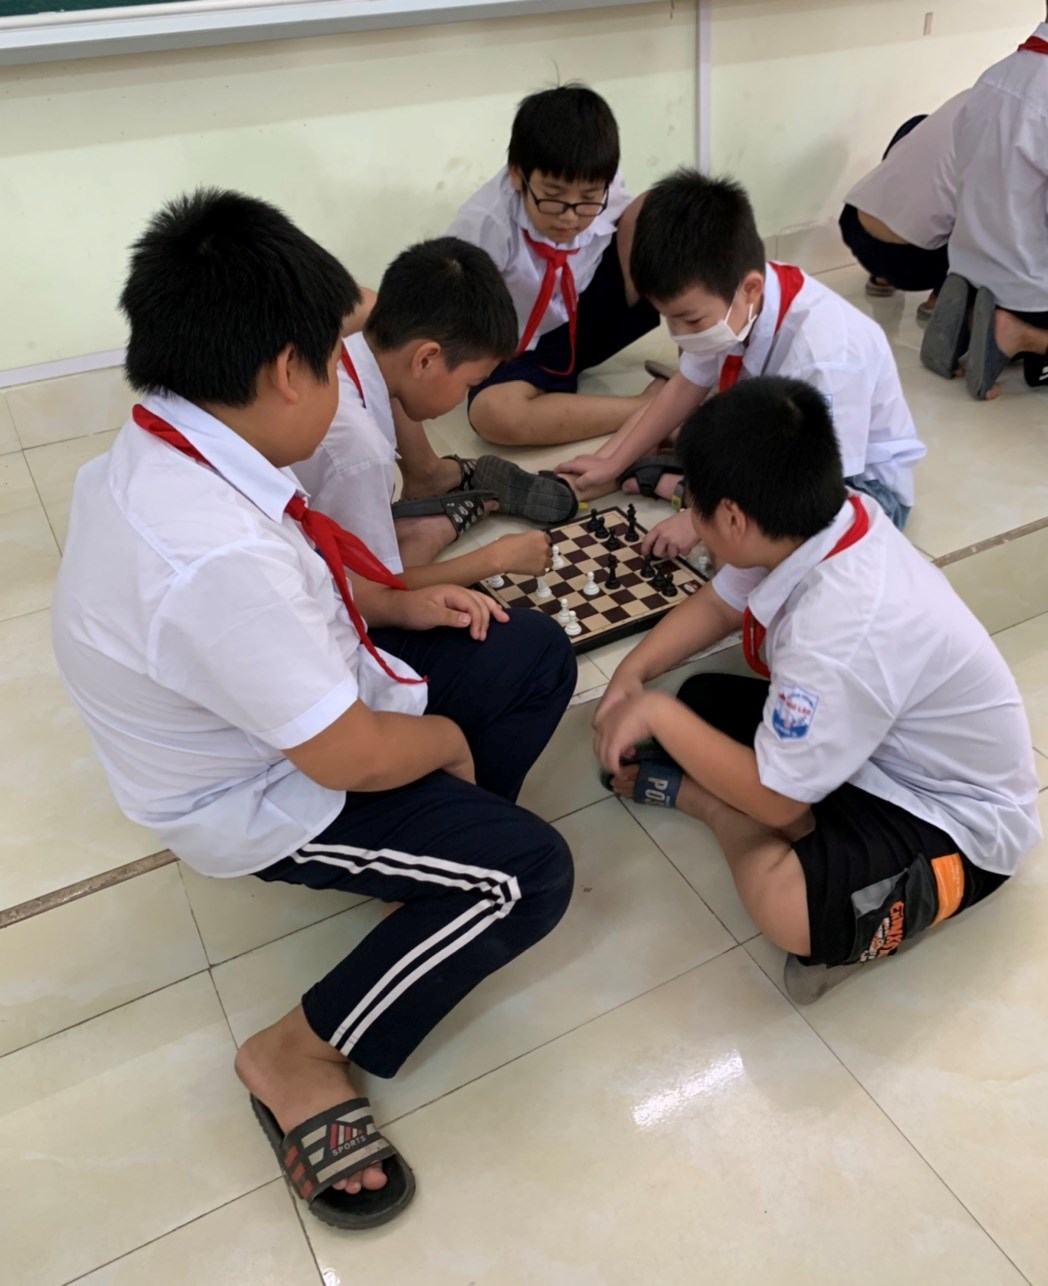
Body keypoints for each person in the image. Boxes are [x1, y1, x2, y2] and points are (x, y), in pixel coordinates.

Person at [51, 189, 576, 1231]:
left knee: (531, 652)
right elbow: (346, 755)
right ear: (287, 369)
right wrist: (444, 742)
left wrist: (395, 602)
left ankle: (429, 870)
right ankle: (296, 1050)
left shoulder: (181, 437)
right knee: (531, 876)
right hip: (262, 790)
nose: (348, 383)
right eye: (336, 360)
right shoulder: (210, 554)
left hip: (308, 699)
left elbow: (311, 588)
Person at [594, 376, 1040, 1004]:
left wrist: (658, 716)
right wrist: (632, 674)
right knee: (701, 704)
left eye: (692, 505)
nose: (690, 519)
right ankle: (806, 819)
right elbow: (721, 603)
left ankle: (715, 810)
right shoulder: (824, 517)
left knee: (788, 909)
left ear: (732, 518)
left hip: (956, 819)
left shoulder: (841, 629)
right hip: (875, 752)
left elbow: (776, 803)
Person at [556, 170, 926, 561]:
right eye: (669, 319)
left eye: (690, 320)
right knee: (694, 432)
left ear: (750, 289)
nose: (679, 334)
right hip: (776, 444)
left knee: (753, 553)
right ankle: (685, 487)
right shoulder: (738, 294)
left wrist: (700, 522)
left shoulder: (825, 356)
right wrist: (612, 462)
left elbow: (819, 485)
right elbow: (685, 385)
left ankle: (690, 492)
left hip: (856, 491)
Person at [294, 237, 576, 589]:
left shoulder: (340, 345)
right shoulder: (361, 451)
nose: (463, 398)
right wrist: (495, 558)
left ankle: (419, 521)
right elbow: (369, 593)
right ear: (426, 359)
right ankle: (424, 530)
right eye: (470, 384)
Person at [448, 82, 660, 448]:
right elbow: (460, 314)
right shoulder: (484, 225)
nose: (570, 217)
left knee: (666, 210)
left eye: (588, 199)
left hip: (584, 314)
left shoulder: (602, 185)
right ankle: (647, 409)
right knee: (494, 414)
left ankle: (702, 371)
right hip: (521, 345)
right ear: (517, 174)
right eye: (553, 197)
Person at [921, 12, 1048, 399]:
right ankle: (1019, 334)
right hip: (1031, 291)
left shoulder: (992, 77)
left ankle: (970, 312)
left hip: (969, 265)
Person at [839, 90, 969, 323]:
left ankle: (881, 279)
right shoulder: (1013, 129)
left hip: (854, 227)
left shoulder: (974, 95)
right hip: (915, 266)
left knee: (917, 124)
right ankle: (940, 299)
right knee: (994, 204)